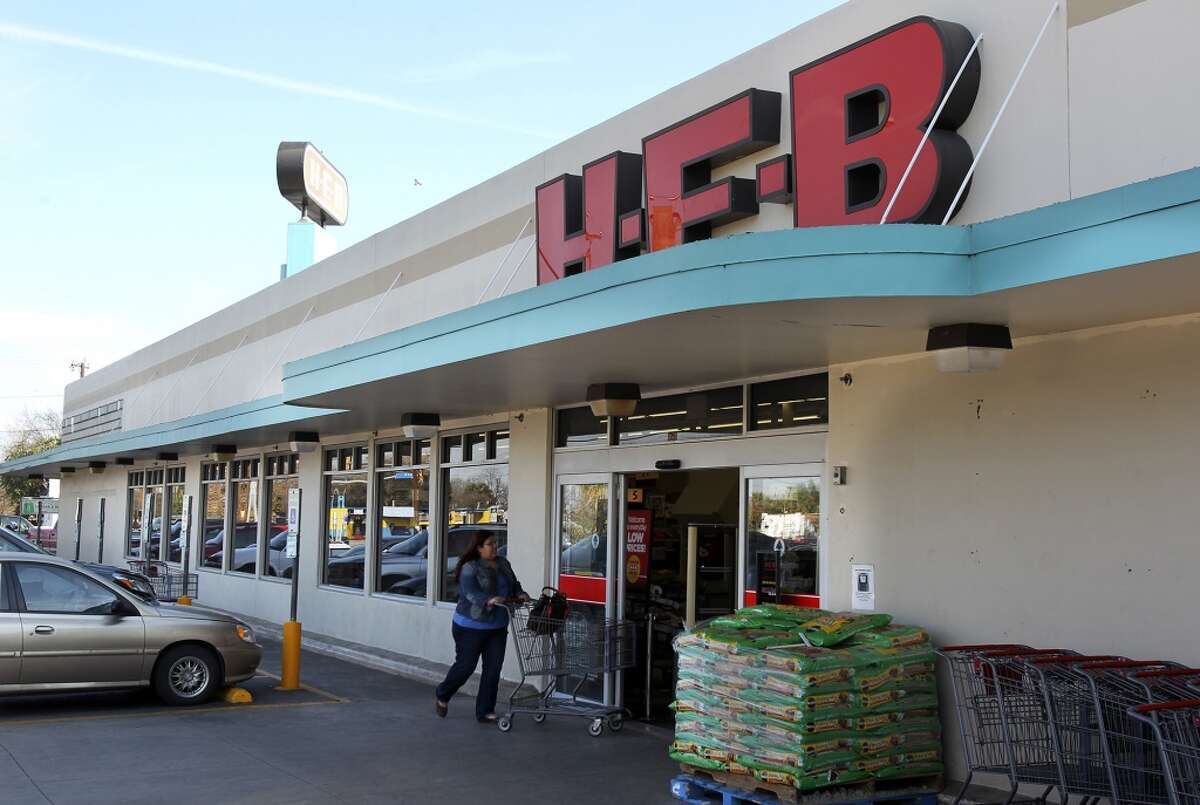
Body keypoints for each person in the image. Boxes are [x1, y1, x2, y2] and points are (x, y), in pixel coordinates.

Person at [435, 532, 527, 722]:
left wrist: (520, 593)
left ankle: (485, 710)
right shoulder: (470, 567)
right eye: (489, 544)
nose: (494, 547)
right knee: (466, 667)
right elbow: (469, 592)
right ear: (478, 548)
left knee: (493, 669)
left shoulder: (503, 563)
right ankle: (443, 693)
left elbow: (514, 584)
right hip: (470, 626)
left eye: (495, 543)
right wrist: (488, 600)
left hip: (498, 626)